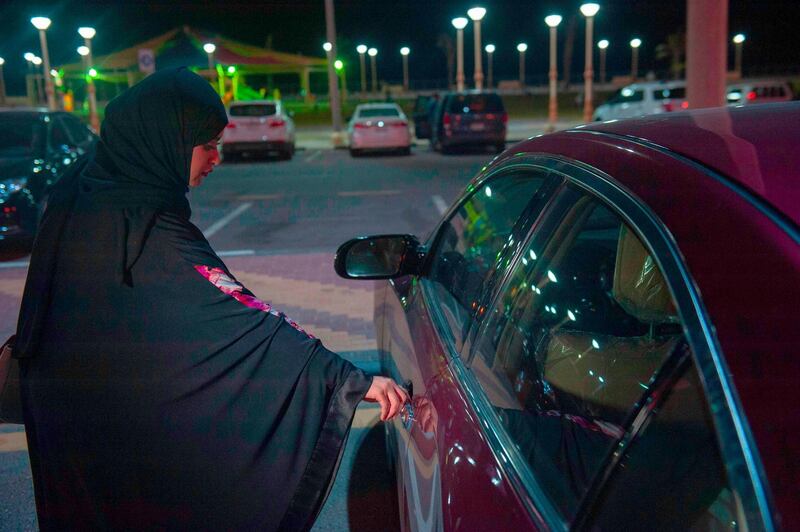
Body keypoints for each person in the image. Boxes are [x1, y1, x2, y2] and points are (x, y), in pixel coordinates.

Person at [14, 67, 408, 531]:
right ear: (168, 143)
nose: (216, 158)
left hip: (68, 419)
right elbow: (235, 315)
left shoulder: (83, 193)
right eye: (208, 145)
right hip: (117, 432)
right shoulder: (150, 226)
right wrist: (342, 377)